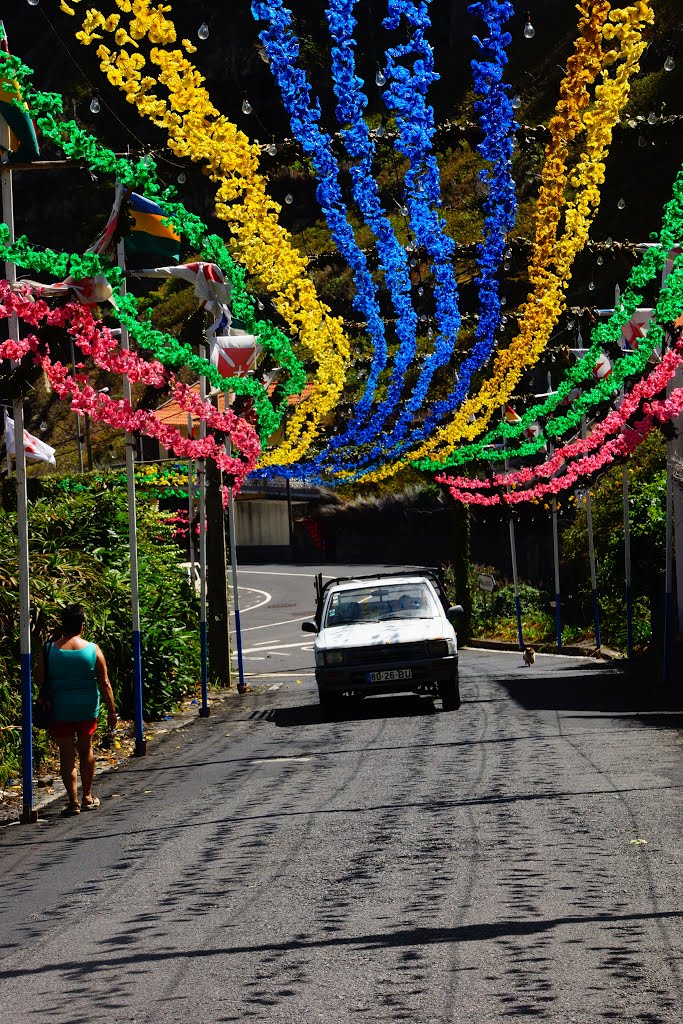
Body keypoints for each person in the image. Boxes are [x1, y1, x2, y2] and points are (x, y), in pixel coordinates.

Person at [36, 604, 117, 816]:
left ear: (62, 625)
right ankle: (88, 796)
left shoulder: (49, 649)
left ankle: (73, 802)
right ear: (82, 626)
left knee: (66, 755)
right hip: (86, 708)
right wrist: (111, 711)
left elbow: (39, 679)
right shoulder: (93, 649)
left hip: (60, 708)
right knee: (86, 748)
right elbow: (105, 682)